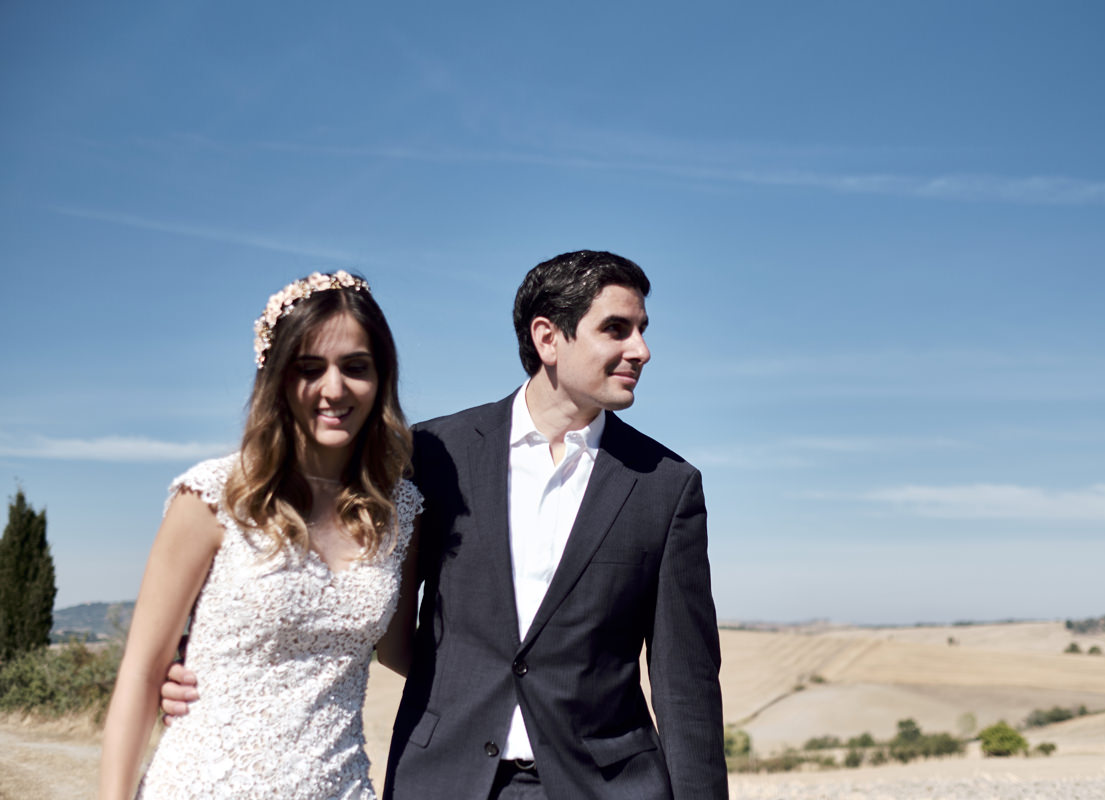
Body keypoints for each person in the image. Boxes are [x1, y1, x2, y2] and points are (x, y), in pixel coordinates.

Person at [164, 251, 729, 799]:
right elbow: (321, 554)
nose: (642, 350)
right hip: (443, 777)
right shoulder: (432, 454)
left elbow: (687, 684)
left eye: (642, 329)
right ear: (548, 338)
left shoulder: (665, 486)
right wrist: (195, 654)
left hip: (603, 786)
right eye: (617, 329)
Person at [100, 271, 422, 800]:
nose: (333, 388)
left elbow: (400, 652)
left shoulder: (399, 511)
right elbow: (140, 673)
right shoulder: (210, 498)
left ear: (382, 379)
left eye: (355, 368)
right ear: (276, 377)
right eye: (309, 368)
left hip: (342, 787)